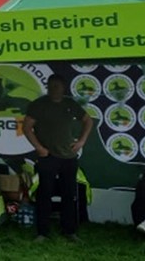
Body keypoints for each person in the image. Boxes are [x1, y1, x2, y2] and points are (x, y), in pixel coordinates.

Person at [22, 74, 93, 242]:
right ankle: (42, 233)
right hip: (48, 156)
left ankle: (69, 231)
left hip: (69, 156)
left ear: (63, 88)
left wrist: (81, 141)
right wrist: (39, 147)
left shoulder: (70, 104)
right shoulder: (39, 105)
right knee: (44, 194)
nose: (54, 89)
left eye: (57, 86)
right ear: (47, 87)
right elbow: (26, 127)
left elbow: (88, 121)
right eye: (51, 86)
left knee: (69, 194)